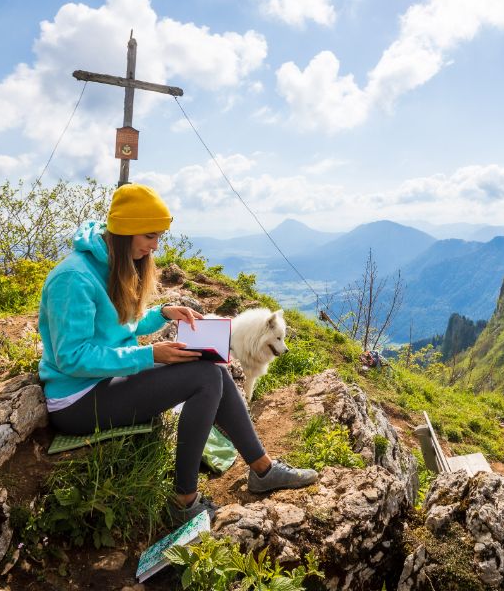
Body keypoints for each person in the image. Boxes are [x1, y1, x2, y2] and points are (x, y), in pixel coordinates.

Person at [37, 183, 317, 524]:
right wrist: (150, 355)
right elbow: (73, 357)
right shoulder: (73, 279)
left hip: (106, 380)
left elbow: (119, 326)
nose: (155, 246)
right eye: (149, 236)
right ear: (125, 232)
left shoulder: (111, 262)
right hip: (77, 399)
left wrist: (163, 313)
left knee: (210, 366)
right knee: (203, 376)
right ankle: (184, 501)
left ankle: (262, 469)